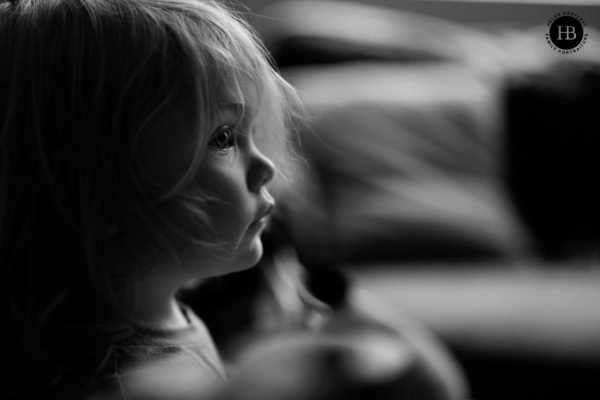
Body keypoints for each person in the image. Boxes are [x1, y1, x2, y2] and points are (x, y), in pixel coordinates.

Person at [0, 0, 300, 399]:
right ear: (102, 192)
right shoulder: (125, 386)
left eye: (250, 132)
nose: (266, 168)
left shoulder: (157, 318)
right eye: (223, 138)